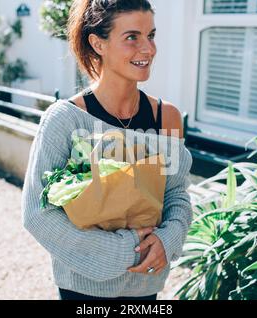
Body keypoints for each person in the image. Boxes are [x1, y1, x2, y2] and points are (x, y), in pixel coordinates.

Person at [21, 0, 193, 300]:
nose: (148, 49)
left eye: (151, 35)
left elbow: (176, 194)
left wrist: (167, 240)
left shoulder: (168, 117)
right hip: (82, 290)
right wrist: (125, 250)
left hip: (146, 289)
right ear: (98, 43)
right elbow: (38, 213)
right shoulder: (65, 119)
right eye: (132, 37)